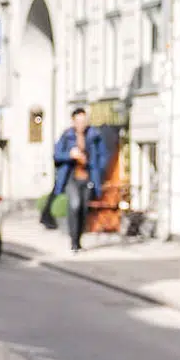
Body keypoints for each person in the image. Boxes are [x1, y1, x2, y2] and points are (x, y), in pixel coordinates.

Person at [45, 107, 108, 252]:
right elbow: (56, 155)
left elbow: (103, 156)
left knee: (83, 209)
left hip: (88, 177)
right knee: (74, 205)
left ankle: (78, 240)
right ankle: (73, 242)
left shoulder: (94, 135)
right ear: (73, 121)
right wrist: (70, 155)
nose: (82, 123)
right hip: (71, 177)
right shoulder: (67, 136)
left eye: (84, 120)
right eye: (78, 121)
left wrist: (98, 169)